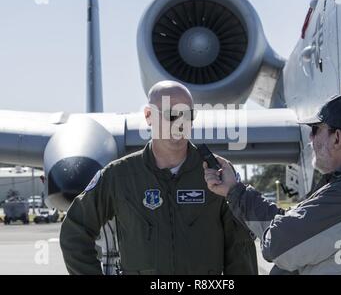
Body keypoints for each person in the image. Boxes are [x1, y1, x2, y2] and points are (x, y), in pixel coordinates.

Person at [60, 80, 257, 275]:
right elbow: (74, 233)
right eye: (171, 115)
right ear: (148, 116)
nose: (180, 123)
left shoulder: (219, 173)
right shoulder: (119, 176)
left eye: (187, 115)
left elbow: (240, 247)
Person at [204, 94, 341, 275]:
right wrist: (235, 191)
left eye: (315, 130)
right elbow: (294, 227)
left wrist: (238, 194)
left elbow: (279, 244)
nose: (310, 138)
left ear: (336, 138)